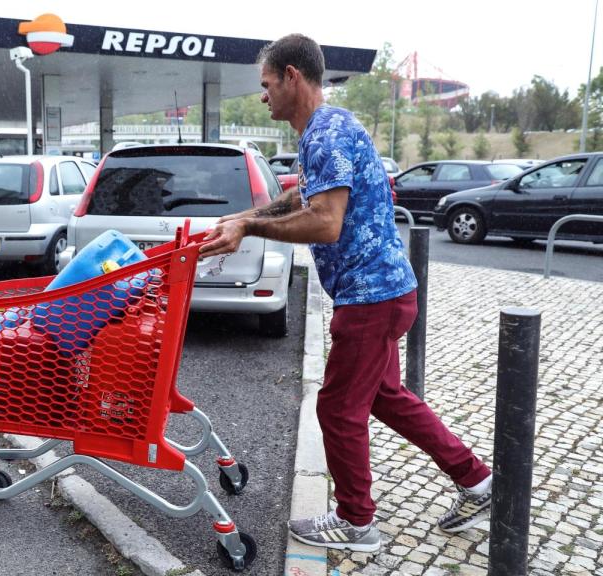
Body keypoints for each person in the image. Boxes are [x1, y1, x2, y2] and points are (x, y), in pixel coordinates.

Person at [198, 33, 493, 552]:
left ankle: (357, 523)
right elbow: (300, 198)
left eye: (267, 84)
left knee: (337, 409)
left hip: (369, 298)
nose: (263, 95)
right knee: (386, 397)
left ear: (292, 77)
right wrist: (241, 218)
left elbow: (326, 222)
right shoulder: (327, 128)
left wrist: (251, 229)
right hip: (386, 292)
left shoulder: (325, 135)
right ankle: (478, 481)